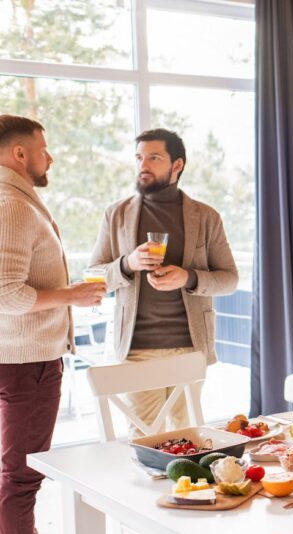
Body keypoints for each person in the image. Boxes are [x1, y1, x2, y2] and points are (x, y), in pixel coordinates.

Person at [0, 115, 106, 534]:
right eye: (43, 148)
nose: (51, 156)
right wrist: (72, 296)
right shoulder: (12, 204)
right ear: (19, 154)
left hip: (17, 358)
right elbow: (5, 291)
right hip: (26, 363)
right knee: (20, 479)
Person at [89, 128, 238, 436]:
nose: (143, 165)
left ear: (177, 165)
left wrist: (190, 277)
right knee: (143, 439)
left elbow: (229, 280)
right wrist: (127, 263)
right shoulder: (116, 214)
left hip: (189, 347)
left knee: (188, 437)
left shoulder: (206, 216)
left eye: (154, 157)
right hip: (137, 348)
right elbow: (93, 275)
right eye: (139, 157)